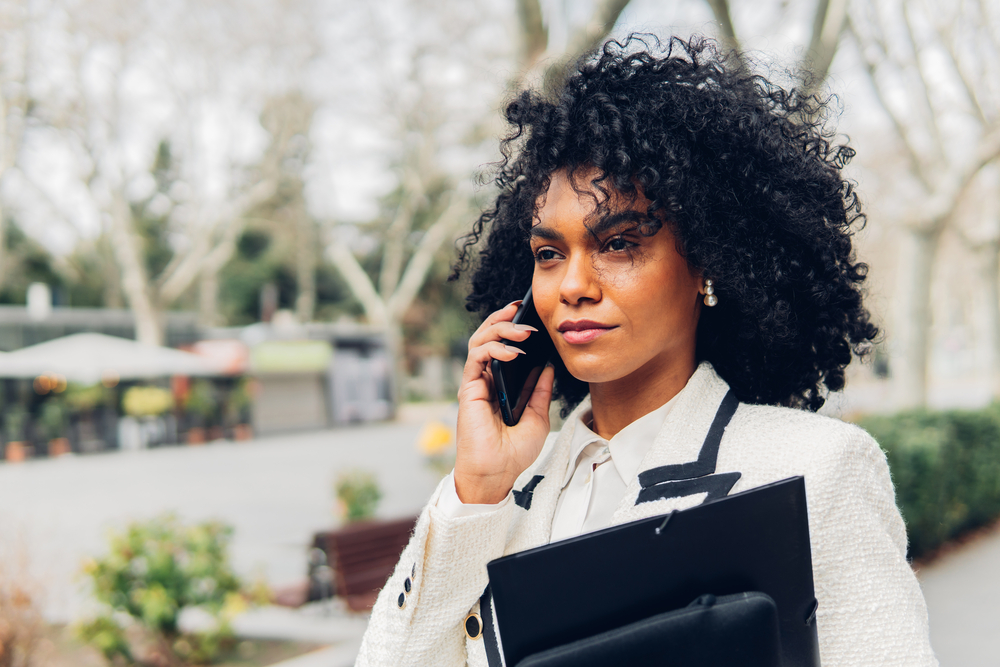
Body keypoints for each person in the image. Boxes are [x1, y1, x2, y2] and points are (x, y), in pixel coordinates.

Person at [356, 35, 937, 667]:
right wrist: (478, 490)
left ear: (710, 263)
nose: (572, 286)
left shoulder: (816, 470)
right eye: (550, 254)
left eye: (620, 243)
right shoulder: (503, 498)